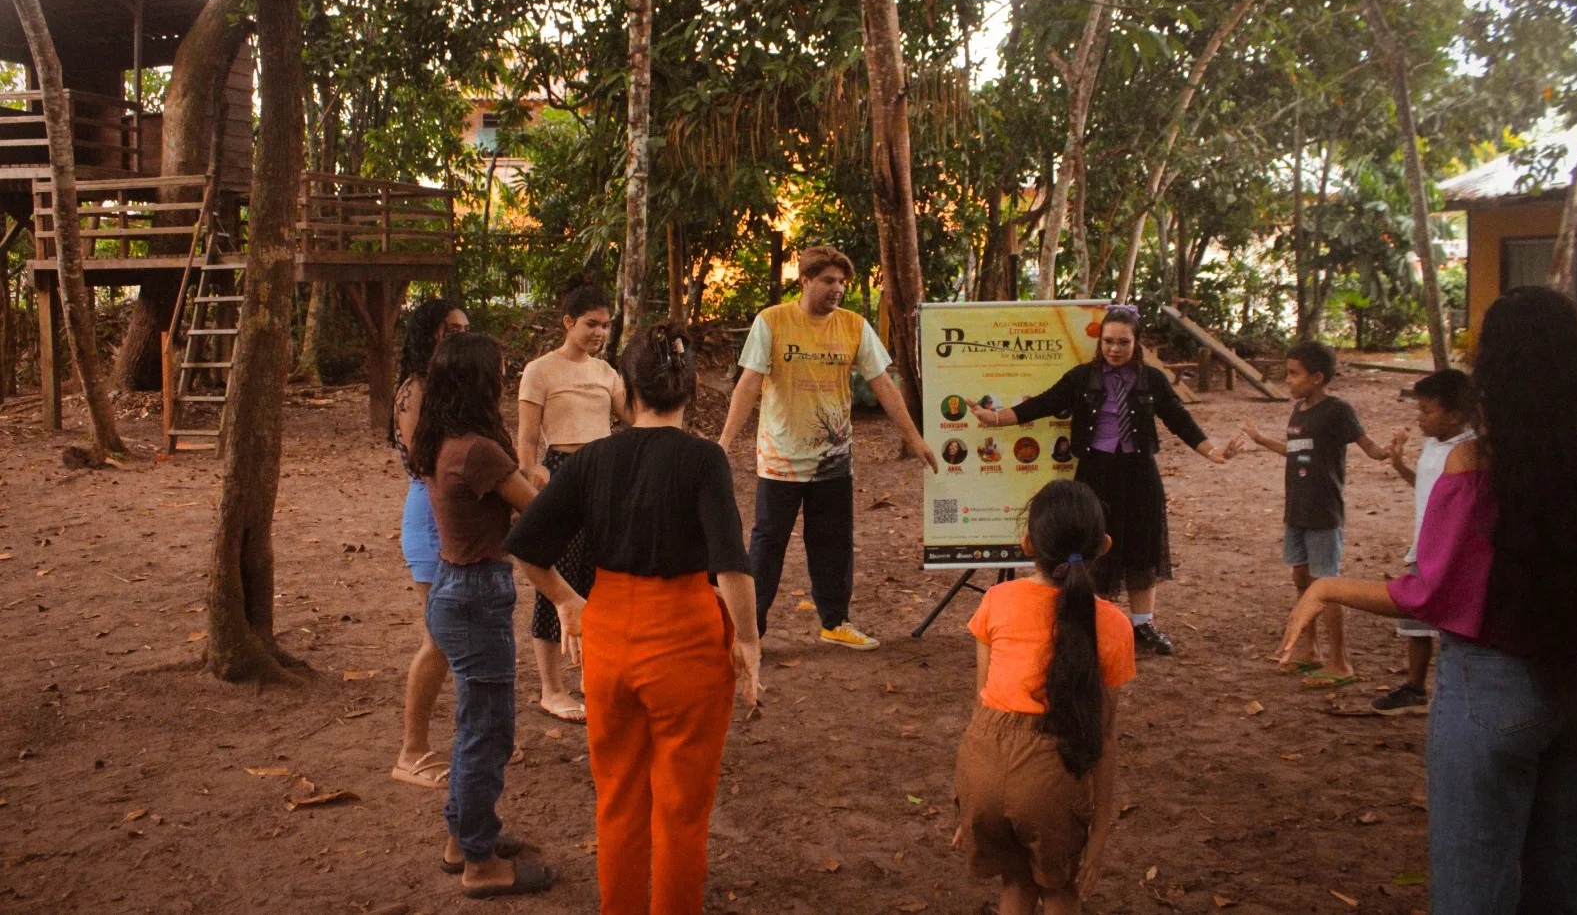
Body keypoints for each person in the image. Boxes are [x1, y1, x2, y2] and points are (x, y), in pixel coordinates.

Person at [1277, 287, 1577, 913]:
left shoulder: (1474, 465)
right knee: (1572, 881)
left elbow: (1431, 593)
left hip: (1492, 688)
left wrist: (1327, 585)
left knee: (1474, 885)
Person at [505, 324, 762, 915]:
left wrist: (569, 602)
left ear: (629, 391)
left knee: (617, 799)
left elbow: (526, 543)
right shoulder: (703, 459)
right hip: (686, 639)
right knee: (681, 808)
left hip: (609, 636)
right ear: (689, 390)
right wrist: (747, 639)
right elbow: (731, 564)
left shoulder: (592, 458)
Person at [409, 332, 578, 899]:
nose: (504, 380)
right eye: (499, 372)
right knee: (488, 733)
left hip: (455, 589)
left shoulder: (440, 440)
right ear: (481, 382)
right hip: (477, 594)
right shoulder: (478, 449)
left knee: (472, 727)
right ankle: (481, 865)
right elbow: (538, 511)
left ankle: (463, 838)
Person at [972, 306, 1236, 655]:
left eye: (1123, 342)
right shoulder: (1082, 378)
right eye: (1108, 341)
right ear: (1100, 342)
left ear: (1136, 341)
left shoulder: (1152, 380)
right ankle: (1092, 624)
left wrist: (1210, 451)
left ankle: (1143, 625)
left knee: (1143, 549)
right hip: (1095, 472)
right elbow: (1043, 404)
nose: (1115, 349)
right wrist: (994, 418)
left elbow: (1179, 418)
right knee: (1092, 547)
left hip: (1140, 472)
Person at [718, 245, 937, 650]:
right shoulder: (772, 321)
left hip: (833, 461)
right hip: (780, 459)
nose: (837, 289)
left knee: (832, 543)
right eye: (828, 281)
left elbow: (883, 385)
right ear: (805, 280)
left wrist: (914, 437)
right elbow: (748, 383)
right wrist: (725, 442)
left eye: (842, 282)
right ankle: (750, 630)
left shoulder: (854, 326)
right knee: (767, 545)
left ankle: (834, 622)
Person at [954, 479, 1135, 915]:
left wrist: (968, 800)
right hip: (1049, 779)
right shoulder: (1113, 626)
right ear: (1104, 546)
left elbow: (985, 704)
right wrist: (1100, 834)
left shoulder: (994, 601)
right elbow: (1104, 739)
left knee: (1015, 883)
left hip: (980, 766)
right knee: (1058, 890)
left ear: (1027, 544)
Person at [516, 277, 629, 724]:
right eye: (591, 324)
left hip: (606, 478)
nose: (600, 333)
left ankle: (594, 676)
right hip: (559, 477)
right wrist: (532, 478)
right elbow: (526, 439)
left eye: (605, 325)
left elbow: (637, 420)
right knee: (556, 584)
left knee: (601, 580)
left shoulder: (607, 373)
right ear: (567, 322)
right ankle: (552, 688)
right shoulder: (540, 370)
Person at [1244, 341, 1388, 686]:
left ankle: (1341, 662)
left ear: (1318, 377)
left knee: (1328, 585)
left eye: (1294, 374)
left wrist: (1389, 454)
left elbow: (1369, 446)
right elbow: (1295, 451)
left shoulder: (1338, 411)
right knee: (1302, 580)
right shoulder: (1300, 411)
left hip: (1323, 511)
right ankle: (1310, 650)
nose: (1287, 381)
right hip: (1297, 509)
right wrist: (1261, 439)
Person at [390, 298, 469, 789]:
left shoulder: (453, 385)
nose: (459, 336)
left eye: (465, 329)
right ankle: (411, 752)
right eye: (449, 329)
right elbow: (426, 463)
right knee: (439, 638)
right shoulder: (415, 390)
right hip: (431, 515)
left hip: (457, 513)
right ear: (429, 334)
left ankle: (475, 738)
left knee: (467, 635)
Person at [1370, 368, 1472, 716]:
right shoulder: (1433, 445)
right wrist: (1399, 465)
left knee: (1448, 626)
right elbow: (1427, 489)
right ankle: (1415, 686)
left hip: (1449, 551)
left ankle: (1451, 690)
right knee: (1415, 623)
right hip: (1424, 544)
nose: (1420, 419)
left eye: (1427, 411)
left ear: (1457, 415)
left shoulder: (1468, 452)